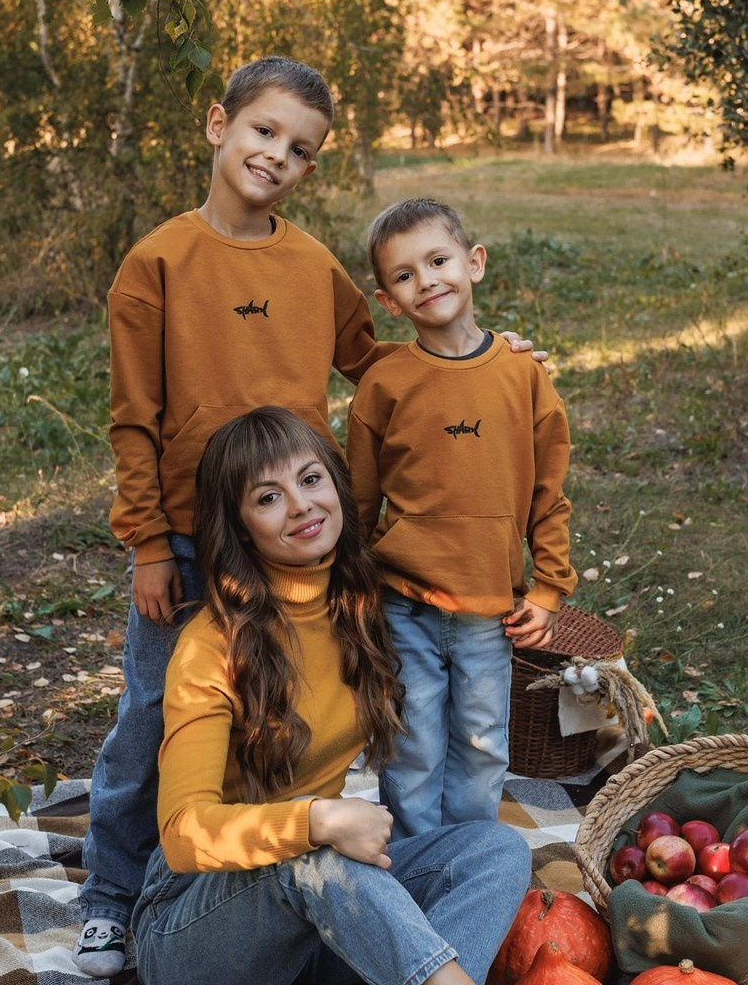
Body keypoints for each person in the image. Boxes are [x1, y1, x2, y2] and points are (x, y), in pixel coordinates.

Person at [77, 59, 540, 976]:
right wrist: (145, 545)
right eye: (262, 133)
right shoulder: (158, 264)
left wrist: (472, 359)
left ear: (311, 169)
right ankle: (110, 896)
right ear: (219, 125)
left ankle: (365, 934)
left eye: (298, 150)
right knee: (152, 721)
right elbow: (133, 416)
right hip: (186, 533)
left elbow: (378, 363)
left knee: (293, 700)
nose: (275, 156)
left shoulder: (311, 267)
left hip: (290, 529)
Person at [131, 406, 531, 985]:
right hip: (196, 928)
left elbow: (455, 470)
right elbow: (182, 834)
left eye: (310, 479)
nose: (300, 506)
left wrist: (495, 366)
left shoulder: (358, 605)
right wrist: (315, 820)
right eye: (268, 498)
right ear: (240, 527)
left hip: (322, 912)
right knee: (316, 859)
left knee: (494, 851)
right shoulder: (212, 646)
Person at [346, 197, 577, 841]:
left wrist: (550, 587)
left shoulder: (522, 376)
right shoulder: (385, 386)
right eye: (405, 275)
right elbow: (358, 503)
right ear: (388, 300)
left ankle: (473, 863)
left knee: (481, 745)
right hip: (403, 602)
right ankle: (418, 867)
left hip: (489, 609)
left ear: (473, 263)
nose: (427, 281)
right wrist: (353, 588)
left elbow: (549, 493)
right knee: (412, 742)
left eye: (439, 260)